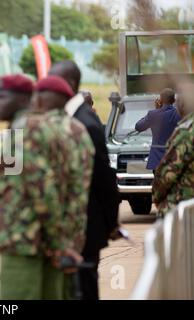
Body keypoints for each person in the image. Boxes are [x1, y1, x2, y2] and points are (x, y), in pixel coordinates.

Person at [0, 75, 94, 299]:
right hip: (48, 238)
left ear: (27, 99)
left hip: (24, 240)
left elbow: (42, 189)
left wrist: (59, 242)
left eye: (1, 97)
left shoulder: (23, 131)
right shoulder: (54, 128)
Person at [49, 60, 120, 300]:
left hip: (85, 224)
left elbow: (103, 178)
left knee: (84, 288)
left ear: (69, 83)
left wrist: (111, 223)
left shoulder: (85, 122)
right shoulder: (70, 117)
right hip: (74, 223)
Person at [153, 90, 194, 217]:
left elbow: (167, 176)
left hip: (182, 210)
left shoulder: (186, 132)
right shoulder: (177, 118)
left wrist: (157, 197)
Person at [135, 88, 181, 171]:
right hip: (174, 158)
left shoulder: (153, 114)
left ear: (161, 100)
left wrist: (156, 110)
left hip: (156, 160)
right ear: (174, 100)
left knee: (158, 183)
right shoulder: (178, 114)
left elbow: (138, 126)